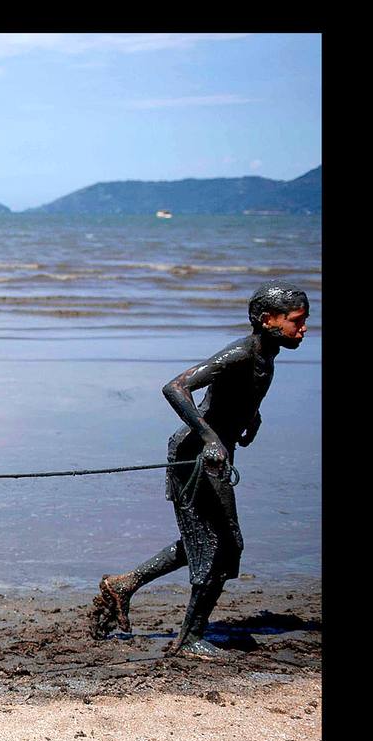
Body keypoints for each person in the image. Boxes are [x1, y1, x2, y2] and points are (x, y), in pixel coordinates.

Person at [90, 281, 310, 657]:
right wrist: (209, 437)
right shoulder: (241, 352)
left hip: (216, 455)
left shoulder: (265, 354)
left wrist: (250, 417)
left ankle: (125, 584)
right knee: (223, 545)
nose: (303, 329)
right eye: (296, 321)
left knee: (208, 540)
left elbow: (234, 394)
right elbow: (176, 387)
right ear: (267, 320)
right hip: (195, 456)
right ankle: (190, 639)